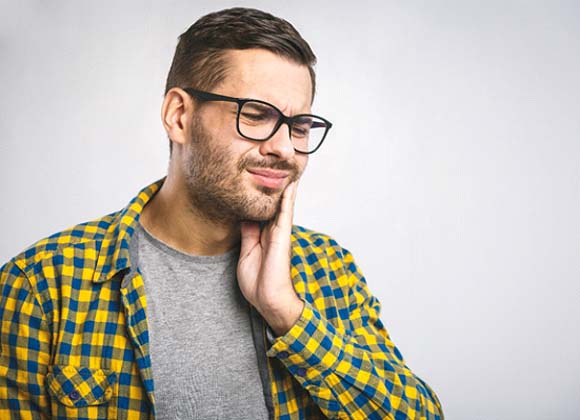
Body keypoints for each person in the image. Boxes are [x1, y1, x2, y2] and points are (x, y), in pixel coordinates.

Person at [0, 7, 444, 420]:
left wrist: (287, 313)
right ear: (179, 116)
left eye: (300, 126)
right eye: (255, 115)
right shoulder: (42, 283)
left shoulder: (329, 269)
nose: (285, 149)